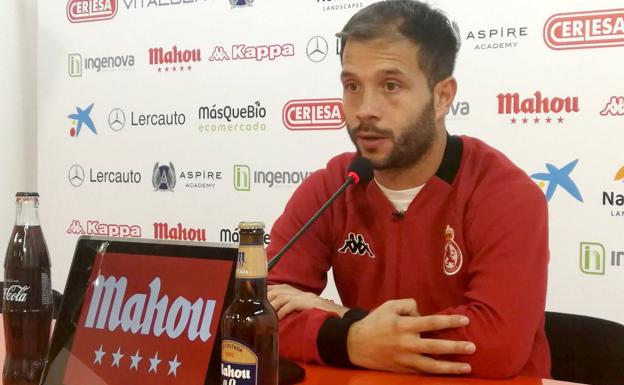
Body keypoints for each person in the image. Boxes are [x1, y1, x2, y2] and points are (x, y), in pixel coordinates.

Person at [267, 0, 550, 379]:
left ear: (442, 96)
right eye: (352, 85)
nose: (365, 109)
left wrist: (344, 320)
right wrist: (353, 338)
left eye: (390, 85)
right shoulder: (333, 186)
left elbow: (496, 347)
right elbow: (253, 313)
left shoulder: (505, 194)